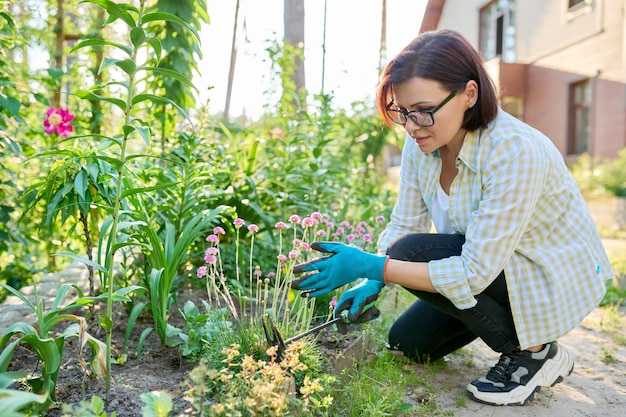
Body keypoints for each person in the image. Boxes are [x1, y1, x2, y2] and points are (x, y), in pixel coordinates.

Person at [290, 28, 613, 406]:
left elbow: (473, 271)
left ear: (469, 95)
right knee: (409, 343)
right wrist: (372, 278)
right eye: (403, 112)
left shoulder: (514, 152)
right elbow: (404, 224)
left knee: (409, 253)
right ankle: (507, 329)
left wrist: (377, 266)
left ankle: (537, 352)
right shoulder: (422, 144)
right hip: (491, 269)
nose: (411, 126)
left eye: (424, 110)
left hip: (542, 275)